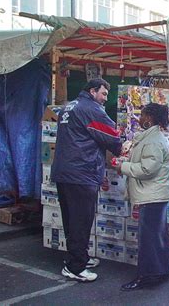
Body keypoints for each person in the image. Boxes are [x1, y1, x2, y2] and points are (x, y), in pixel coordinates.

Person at [51, 78, 121, 282]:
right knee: (81, 220)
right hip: (82, 172)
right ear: (92, 91)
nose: (105, 98)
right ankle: (75, 267)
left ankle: (79, 256)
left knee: (71, 219)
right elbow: (112, 138)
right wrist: (123, 147)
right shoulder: (91, 109)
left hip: (64, 171)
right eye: (103, 94)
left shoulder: (69, 106)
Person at [114, 103, 169, 291]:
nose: (139, 118)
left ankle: (148, 276)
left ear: (149, 118)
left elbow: (147, 169)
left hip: (151, 195)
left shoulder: (153, 140)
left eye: (142, 115)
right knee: (157, 235)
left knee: (149, 237)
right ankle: (161, 270)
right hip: (153, 193)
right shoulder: (151, 138)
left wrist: (122, 167)